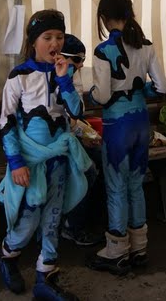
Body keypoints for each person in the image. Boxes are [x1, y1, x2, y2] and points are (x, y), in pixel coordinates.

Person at [0, 10, 92, 301]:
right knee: (28, 221)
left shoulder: (65, 73)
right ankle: (8, 255)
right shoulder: (19, 76)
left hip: (58, 160)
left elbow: (77, 112)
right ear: (33, 41)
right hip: (30, 163)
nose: (54, 43)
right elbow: (6, 121)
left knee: (53, 219)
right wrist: (16, 162)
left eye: (59, 37)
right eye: (47, 37)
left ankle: (45, 278)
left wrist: (64, 80)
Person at [87, 0, 166, 275]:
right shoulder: (146, 45)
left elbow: (102, 95)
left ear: (104, 17)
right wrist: (141, 89)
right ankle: (139, 248)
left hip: (117, 125)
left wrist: (90, 94)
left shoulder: (103, 50)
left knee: (116, 186)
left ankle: (116, 250)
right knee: (136, 184)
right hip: (141, 122)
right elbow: (162, 87)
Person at [60, 34, 105, 247]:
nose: (81, 65)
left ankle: (93, 216)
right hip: (53, 140)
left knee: (105, 158)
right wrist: (81, 134)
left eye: (82, 60)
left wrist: (85, 134)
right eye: (77, 59)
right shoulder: (50, 76)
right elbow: (63, 119)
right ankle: (73, 225)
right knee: (87, 171)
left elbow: (75, 116)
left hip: (70, 134)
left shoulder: (72, 75)